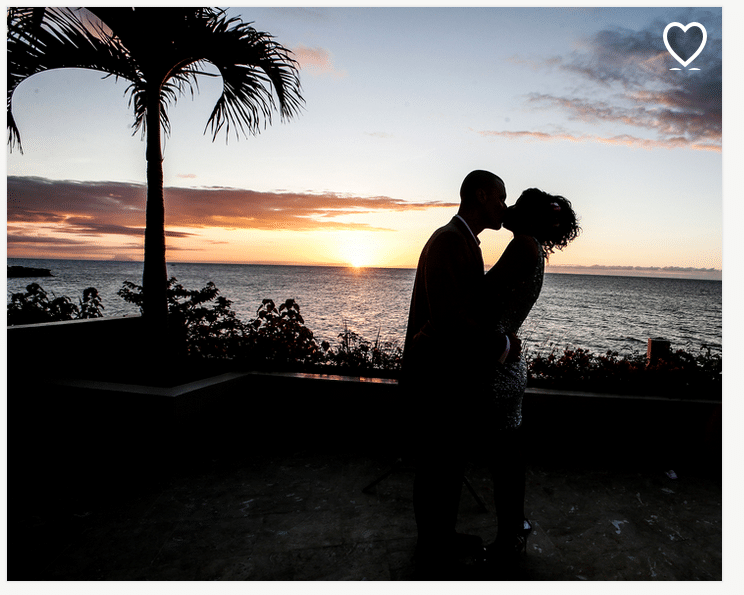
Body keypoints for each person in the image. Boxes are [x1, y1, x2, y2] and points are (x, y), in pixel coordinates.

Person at [401, 170, 522, 579]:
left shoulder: (463, 242)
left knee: (449, 465)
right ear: (481, 195)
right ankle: (431, 548)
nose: (504, 207)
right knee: (436, 465)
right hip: (436, 377)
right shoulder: (448, 242)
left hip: (449, 377)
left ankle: (443, 536)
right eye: (500, 198)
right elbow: (450, 320)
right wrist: (502, 346)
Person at [480, 188, 580, 575]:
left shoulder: (523, 245)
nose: (508, 208)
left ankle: (509, 540)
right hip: (506, 365)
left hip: (495, 369)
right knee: (509, 459)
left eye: (517, 204)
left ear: (529, 216)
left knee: (503, 463)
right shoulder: (535, 249)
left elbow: (481, 295)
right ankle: (515, 529)